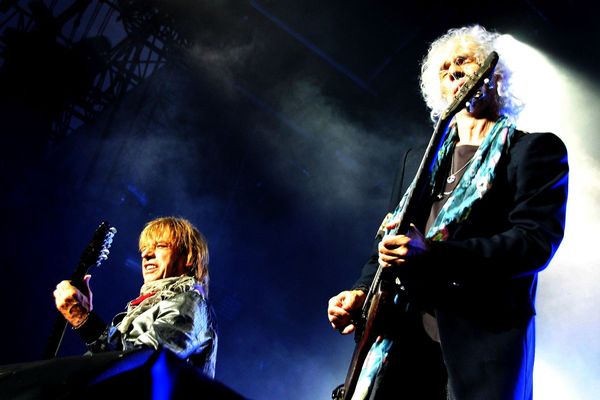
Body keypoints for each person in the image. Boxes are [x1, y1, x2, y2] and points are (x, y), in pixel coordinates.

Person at [327, 25, 568, 400]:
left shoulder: (534, 151)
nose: (453, 70)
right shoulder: (417, 162)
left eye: (463, 61)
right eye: (444, 68)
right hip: (400, 341)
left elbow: (533, 243)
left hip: (476, 348)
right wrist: (360, 293)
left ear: (496, 75)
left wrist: (434, 255)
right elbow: (390, 243)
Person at [54, 216, 218, 378]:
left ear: (188, 257)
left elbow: (141, 364)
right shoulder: (133, 314)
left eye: (160, 245)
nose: (146, 254)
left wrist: (85, 321)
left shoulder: (191, 303)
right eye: (144, 249)